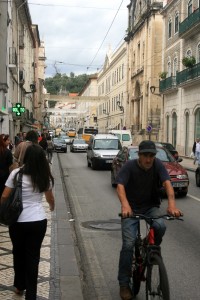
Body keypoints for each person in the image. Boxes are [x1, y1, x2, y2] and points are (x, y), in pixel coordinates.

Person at [116, 140, 183, 300]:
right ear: (139, 155)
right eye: (145, 155)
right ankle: (124, 284)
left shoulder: (157, 165)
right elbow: (120, 186)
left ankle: (148, 245)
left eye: (151, 156)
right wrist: (125, 206)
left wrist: (172, 206)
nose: (148, 159)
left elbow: (168, 184)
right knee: (129, 244)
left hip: (150, 206)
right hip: (131, 209)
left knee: (160, 226)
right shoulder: (129, 166)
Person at [0, 144, 55, 299]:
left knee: (18, 252)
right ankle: (31, 294)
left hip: (17, 221)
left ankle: (19, 286)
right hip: (38, 221)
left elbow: (4, 196)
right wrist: (51, 207)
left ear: (26, 157)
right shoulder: (45, 176)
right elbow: (50, 199)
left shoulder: (16, 174)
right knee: (33, 257)